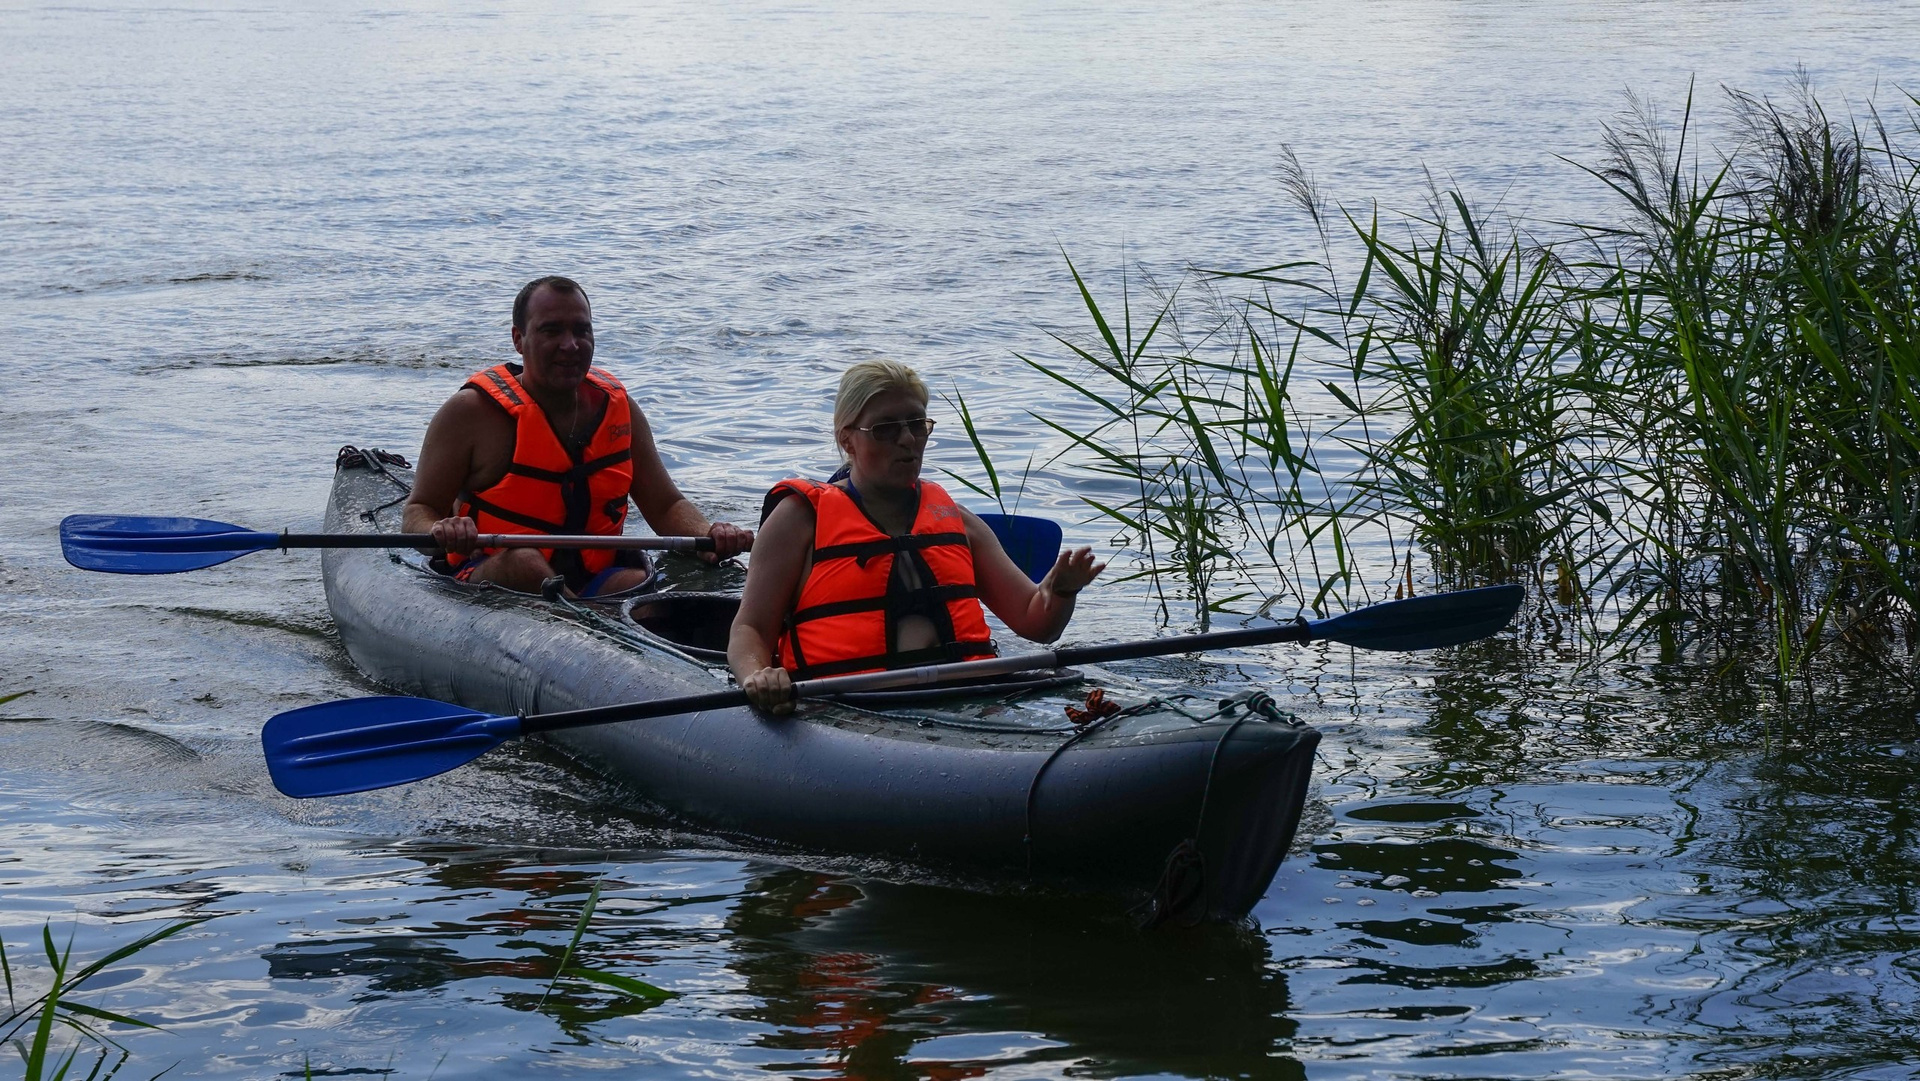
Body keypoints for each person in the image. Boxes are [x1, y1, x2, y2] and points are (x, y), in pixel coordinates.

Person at [729, 359, 1105, 715]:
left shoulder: (957, 521)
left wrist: (1060, 591)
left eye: (917, 424)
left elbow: (1037, 624)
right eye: (885, 428)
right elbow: (750, 629)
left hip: (970, 702)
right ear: (847, 440)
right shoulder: (798, 520)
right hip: (845, 708)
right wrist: (758, 676)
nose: (907, 438)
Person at [403, 276, 753, 596]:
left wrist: (708, 533)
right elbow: (418, 511)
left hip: (592, 579)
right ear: (518, 339)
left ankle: (589, 618)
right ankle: (586, 621)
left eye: (581, 331)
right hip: (491, 571)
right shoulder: (470, 413)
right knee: (526, 563)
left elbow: (665, 506)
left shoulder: (619, 408)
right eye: (551, 331)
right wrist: (443, 531)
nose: (570, 345)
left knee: (636, 580)